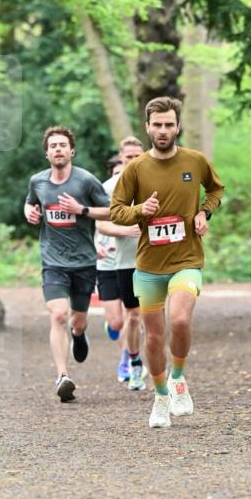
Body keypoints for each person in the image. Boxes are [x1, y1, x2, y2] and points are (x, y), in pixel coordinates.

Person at [110, 97, 224, 428]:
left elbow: (216, 189)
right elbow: (116, 209)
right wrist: (139, 211)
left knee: (180, 320)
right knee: (154, 336)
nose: (163, 130)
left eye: (169, 124)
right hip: (148, 266)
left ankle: (178, 378)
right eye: (157, 125)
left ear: (178, 127)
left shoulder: (195, 161)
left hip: (187, 259)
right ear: (147, 127)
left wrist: (205, 212)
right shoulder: (135, 168)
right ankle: (160, 397)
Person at [24, 125, 110, 402]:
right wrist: (30, 212)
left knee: (78, 322)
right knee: (58, 314)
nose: (58, 149)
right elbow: (30, 204)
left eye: (63, 145)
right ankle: (62, 376)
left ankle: (79, 333)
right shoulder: (37, 181)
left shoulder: (85, 181)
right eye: (53, 146)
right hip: (53, 261)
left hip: (84, 262)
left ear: (71, 150)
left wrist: (82, 210)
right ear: (47, 153)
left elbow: (112, 211)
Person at [95, 137, 147, 389]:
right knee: (118, 321)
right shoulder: (108, 188)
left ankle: (131, 360)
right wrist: (125, 231)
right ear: (121, 158)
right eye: (128, 158)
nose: (133, 162)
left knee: (135, 315)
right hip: (112, 261)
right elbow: (99, 222)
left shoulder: (154, 182)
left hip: (146, 260)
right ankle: (128, 352)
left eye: (138, 156)